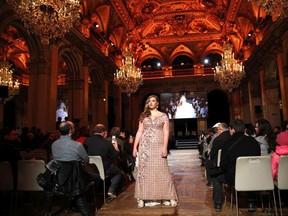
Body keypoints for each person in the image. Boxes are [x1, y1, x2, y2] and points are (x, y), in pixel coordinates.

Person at [132, 95, 178, 208]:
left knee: (163, 171)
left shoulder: (163, 116)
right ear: (147, 104)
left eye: (153, 101)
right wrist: (135, 147)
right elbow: (139, 131)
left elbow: (166, 132)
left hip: (159, 146)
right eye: (149, 101)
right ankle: (142, 197)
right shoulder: (143, 116)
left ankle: (170, 196)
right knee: (144, 173)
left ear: (157, 103)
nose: (151, 103)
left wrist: (165, 147)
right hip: (145, 148)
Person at [212, 119, 260, 212]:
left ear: (232, 129)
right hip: (252, 177)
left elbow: (223, 165)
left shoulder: (227, 143)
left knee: (216, 178)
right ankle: (251, 202)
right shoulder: (254, 142)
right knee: (249, 174)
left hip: (233, 178)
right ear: (244, 129)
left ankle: (218, 204)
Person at [45, 121, 90, 216]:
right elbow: (86, 160)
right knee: (88, 181)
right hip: (74, 180)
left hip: (57, 178)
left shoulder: (54, 144)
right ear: (70, 131)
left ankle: (47, 212)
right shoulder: (77, 145)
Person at [84, 124, 122, 199]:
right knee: (118, 172)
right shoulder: (106, 143)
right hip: (104, 169)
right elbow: (115, 155)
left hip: (90, 169)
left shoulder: (86, 141)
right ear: (102, 132)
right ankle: (111, 190)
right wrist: (116, 147)